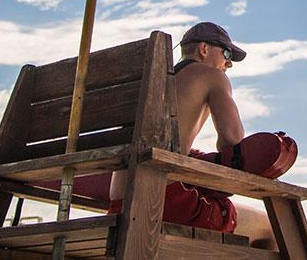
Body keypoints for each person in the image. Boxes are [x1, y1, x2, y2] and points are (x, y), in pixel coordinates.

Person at [108, 22, 277, 250]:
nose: (229, 63)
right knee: (269, 227)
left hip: (120, 203)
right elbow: (232, 141)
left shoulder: (151, 82)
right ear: (204, 49)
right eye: (227, 53)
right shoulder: (212, 76)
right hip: (163, 202)